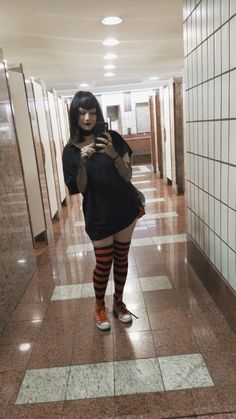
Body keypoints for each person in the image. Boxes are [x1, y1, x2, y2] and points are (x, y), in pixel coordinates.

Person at [62, 91, 140, 331]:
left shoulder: (113, 138)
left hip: (124, 207)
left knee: (121, 257)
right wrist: (83, 163)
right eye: (82, 112)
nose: (87, 118)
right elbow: (80, 188)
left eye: (92, 113)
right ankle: (99, 305)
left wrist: (113, 154)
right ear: (74, 115)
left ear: (98, 115)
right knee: (103, 262)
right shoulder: (71, 151)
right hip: (98, 212)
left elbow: (127, 176)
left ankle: (118, 302)